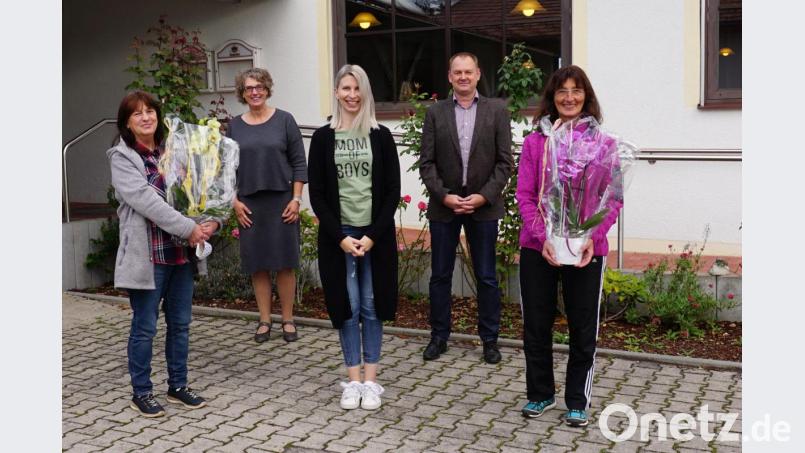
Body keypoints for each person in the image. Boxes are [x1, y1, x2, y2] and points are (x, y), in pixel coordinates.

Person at [516, 65, 621, 427]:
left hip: (586, 250)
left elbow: (613, 199)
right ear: (552, 98)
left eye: (576, 91)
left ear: (586, 97)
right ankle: (540, 394)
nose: (569, 97)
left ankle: (577, 400)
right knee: (537, 324)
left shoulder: (604, 145)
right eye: (562, 91)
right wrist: (540, 235)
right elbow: (525, 195)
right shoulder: (535, 143)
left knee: (582, 327)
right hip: (537, 247)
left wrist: (593, 235)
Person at [108, 91, 219, 417]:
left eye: (150, 111)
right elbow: (146, 201)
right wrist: (190, 229)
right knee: (145, 327)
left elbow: (197, 192)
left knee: (181, 325)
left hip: (181, 255)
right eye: (137, 113)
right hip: (149, 256)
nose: (145, 117)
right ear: (127, 122)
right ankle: (141, 392)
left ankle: (178, 386)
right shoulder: (121, 157)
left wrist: (211, 221)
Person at [308, 64, 400, 410]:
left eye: (357, 88)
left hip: (374, 235)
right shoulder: (322, 138)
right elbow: (316, 193)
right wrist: (340, 237)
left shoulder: (380, 135)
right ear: (336, 92)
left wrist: (373, 236)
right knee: (347, 308)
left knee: (372, 306)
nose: (351, 95)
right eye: (345, 88)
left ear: (365, 93)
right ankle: (353, 380)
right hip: (340, 237)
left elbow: (392, 191)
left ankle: (372, 382)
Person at [418, 52, 513, 364]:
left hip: (483, 207)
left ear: (477, 74)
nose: (462, 77)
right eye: (457, 72)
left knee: (486, 276)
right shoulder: (435, 113)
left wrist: (484, 196)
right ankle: (439, 337)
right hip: (445, 206)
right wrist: (443, 195)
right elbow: (427, 162)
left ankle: (489, 341)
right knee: (440, 275)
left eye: (468, 72)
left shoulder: (497, 111)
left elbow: (504, 162)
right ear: (449, 76)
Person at [228, 68, 307, 343]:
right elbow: (226, 170)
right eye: (249, 88)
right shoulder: (234, 126)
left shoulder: (285, 120)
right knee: (258, 264)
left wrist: (296, 200)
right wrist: (234, 202)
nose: (254, 92)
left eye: (259, 86)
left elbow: (299, 163)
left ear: (267, 88)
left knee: (285, 263)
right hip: (249, 204)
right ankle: (264, 320)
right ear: (242, 92)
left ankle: (287, 319)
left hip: (283, 202)